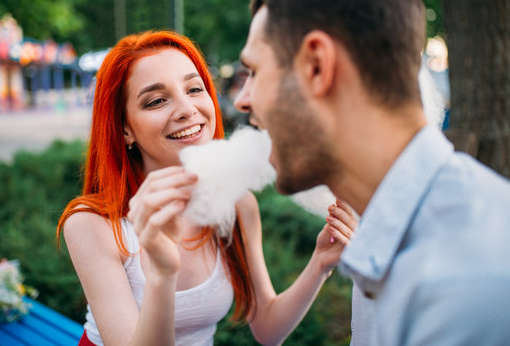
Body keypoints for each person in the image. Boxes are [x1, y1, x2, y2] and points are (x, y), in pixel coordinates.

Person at [234, 0, 510, 345]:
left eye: (254, 72)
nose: (242, 100)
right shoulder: (403, 234)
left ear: (317, 66)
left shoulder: (465, 279)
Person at [57, 30, 357, 346]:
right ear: (125, 129)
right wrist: (162, 272)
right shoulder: (91, 225)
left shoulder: (238, 205)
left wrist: (321, 262)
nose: (187, 109)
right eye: (157, 100)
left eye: (194, 88)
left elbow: (268, 328)